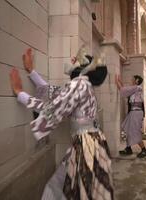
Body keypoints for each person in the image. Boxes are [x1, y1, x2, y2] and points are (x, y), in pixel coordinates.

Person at [9, 48, 114, 200]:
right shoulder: (85, 85)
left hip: (86, 147)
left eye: (77, 60)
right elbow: (57, 94)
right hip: (91, 145)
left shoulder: (79, 84)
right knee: (76, 189)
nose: (72, 60)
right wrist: (32, 72)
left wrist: (21, 94)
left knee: (69, 189)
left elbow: (53, 107)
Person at [115, 75, 146, 158]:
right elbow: (126, 91)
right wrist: (120, 82)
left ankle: (144, 150)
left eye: (133, 79)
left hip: (136, 113)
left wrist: (116, 82)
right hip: (133, 112)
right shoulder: (135, 88)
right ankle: (128, 148)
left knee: (135, 131)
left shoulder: (137, 88)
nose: (131, 79)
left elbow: (123, 90)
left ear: (137, 80)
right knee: (127, 129)